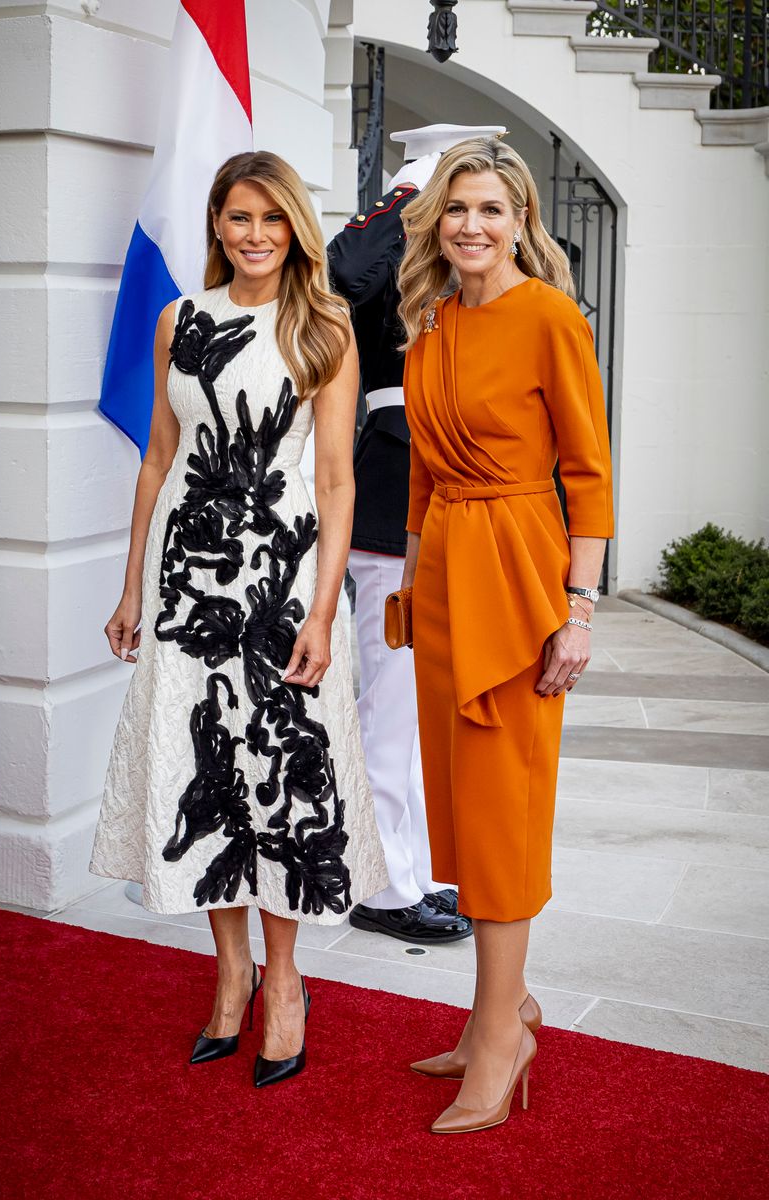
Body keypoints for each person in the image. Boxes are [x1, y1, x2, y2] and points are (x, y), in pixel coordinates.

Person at [90, 151, 388, 1087]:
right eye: (238, 218)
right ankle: (231, 974)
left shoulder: (324, 325)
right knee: (205, 767)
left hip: (281, 586)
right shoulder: (180, 320)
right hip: (187, 584)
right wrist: (133, 588)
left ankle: (285, 980)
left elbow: (335, 481)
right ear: (217, 225)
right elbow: (157, 459)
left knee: (277, 779)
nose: (255, 235)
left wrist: (324, 610)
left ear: (295, 227)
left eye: (271, 218)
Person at [397, 135, 614, 1134]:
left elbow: (589, 474)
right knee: (460, 807)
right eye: (456, 208)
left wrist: (578, 609)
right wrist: (411, 584)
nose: (471, 225)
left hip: (521, 571)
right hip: (447, 573)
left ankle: (499, 1039)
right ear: (435, 222)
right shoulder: (429, 325)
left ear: (522, 219)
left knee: (503, 809)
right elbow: (421, 474)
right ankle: (502, 1007)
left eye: (491, 208)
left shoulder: (550, 318)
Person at [329, 125, 503, 946]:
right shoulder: (387, 249)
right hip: (394, 497)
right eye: (449, 195)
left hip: (466, 497)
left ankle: (424, 870)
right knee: (391, 708)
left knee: (432, 710)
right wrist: (405, 194)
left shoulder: (461, 268)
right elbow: (341, 274)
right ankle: (381, 883)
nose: (462, 218)